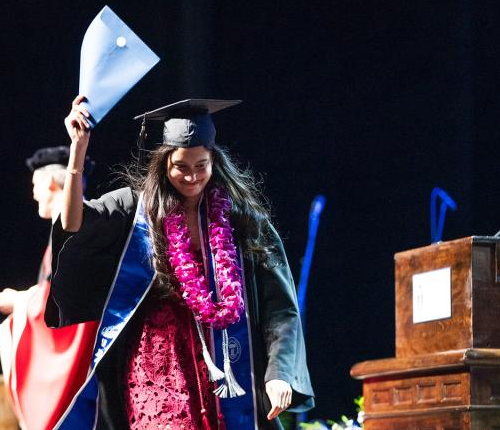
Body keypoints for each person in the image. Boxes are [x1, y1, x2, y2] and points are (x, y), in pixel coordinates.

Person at [44, 95, 315, 429]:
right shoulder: (137, 209)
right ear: (164, 164)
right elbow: (73, 223)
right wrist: (78, 150)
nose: (192, 176)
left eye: (201, 165)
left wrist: (279, 373)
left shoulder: (243, 220)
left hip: (224, 362)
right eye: (181, 167)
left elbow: (281, 309)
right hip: (156, 364)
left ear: (215, 161)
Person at [0, 147, 98, 430]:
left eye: (35, 186)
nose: (34, 194)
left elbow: (64, 308)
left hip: (80, 380)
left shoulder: (77, 231)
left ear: (50, 184)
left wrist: (22, 301)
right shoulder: (71, 230)